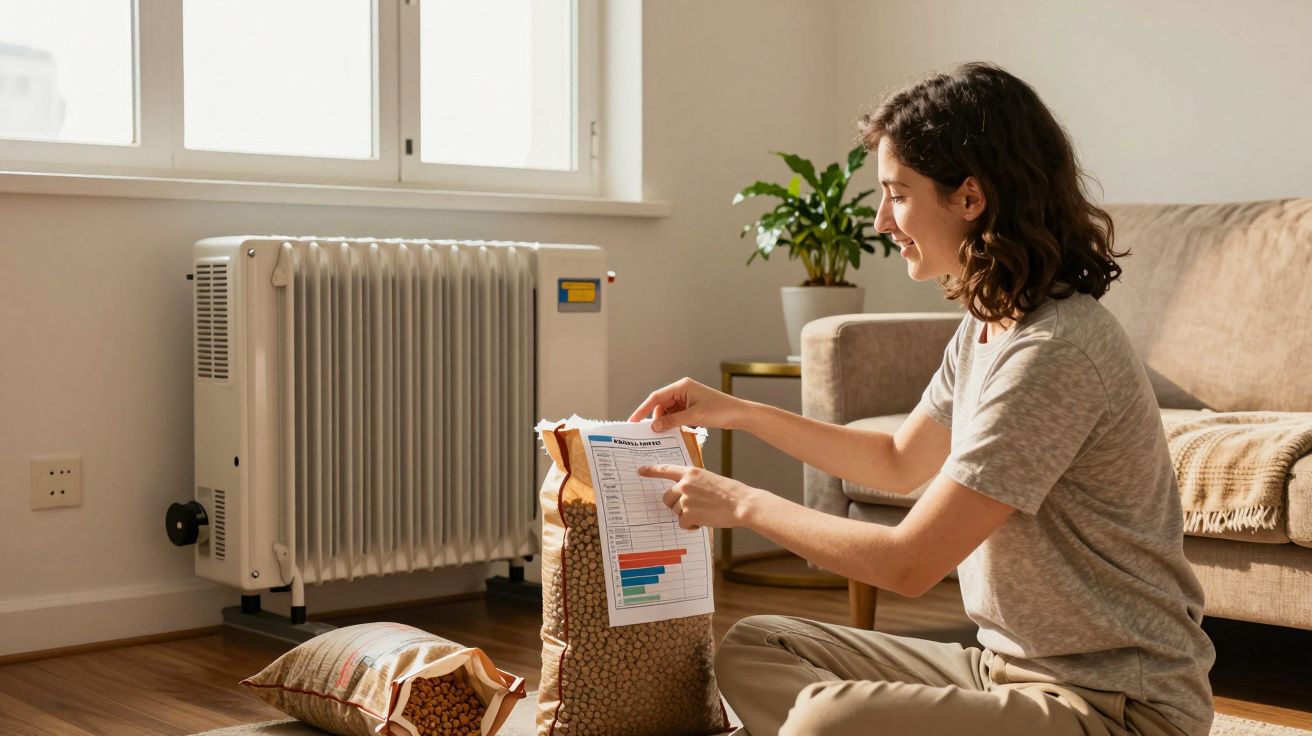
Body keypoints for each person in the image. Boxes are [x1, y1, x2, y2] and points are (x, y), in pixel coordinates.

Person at [627, 62, 1215, 736]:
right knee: (757, 649)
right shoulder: (990, 325)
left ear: (970, 197)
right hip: (1003, 670)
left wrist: (742, 503)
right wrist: (735, 412)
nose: (882, 220)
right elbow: (897, 459)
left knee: (824, 719)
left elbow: (909, 563)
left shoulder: (1056, 352)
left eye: (898, 194)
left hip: (1117, 707)